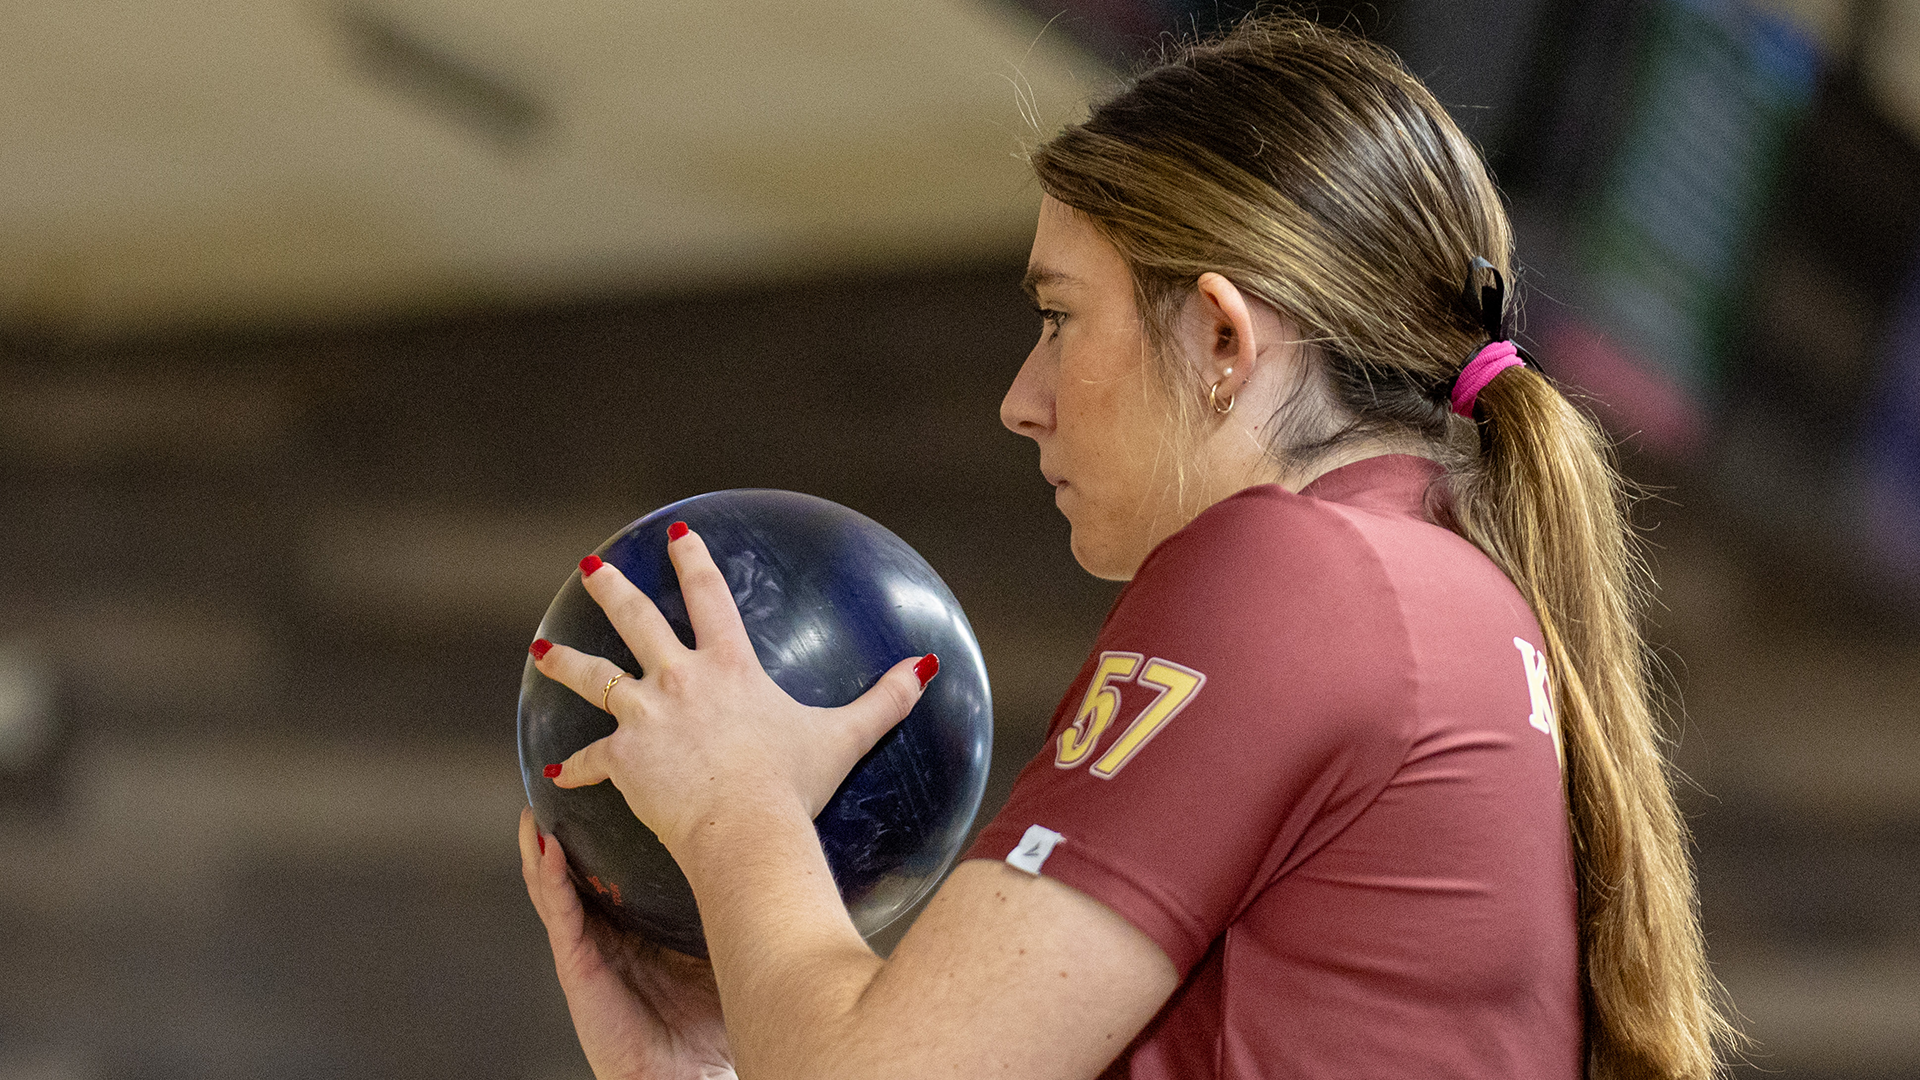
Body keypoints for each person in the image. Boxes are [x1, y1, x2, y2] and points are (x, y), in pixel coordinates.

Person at [516, 14, 1731, 1079]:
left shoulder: (1302, 577)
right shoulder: (1451, 591)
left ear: (1219, 338)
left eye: (1059, 318)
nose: (1021, 396)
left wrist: (737, 811)